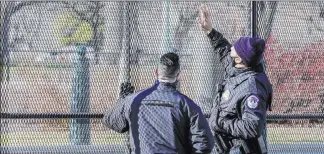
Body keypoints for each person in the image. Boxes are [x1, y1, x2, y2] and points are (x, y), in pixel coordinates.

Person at [102, 52, 214, 154]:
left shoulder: (134, 99)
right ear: (179, 75)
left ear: (155, 73)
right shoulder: (187, 105)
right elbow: (204, 142)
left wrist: (122, 99)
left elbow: (111, 121)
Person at [197, 5, 273, 154]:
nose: (232, 46)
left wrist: (221, 123)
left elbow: (252, 126)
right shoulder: (239, 69)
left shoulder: (253, 88)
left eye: (236, 47)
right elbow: (224, 50)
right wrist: (209, 31)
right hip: (226, 147)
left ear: (240, 59)